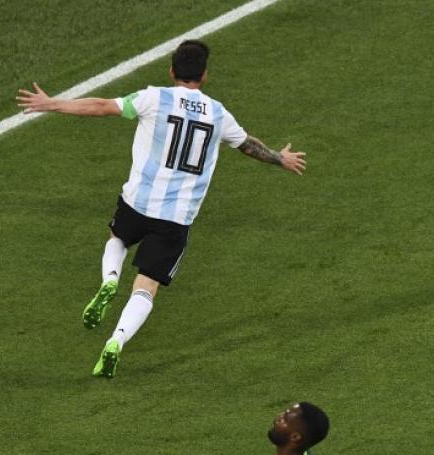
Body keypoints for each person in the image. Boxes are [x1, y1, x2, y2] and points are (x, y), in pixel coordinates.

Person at [16, 39, 307, 377]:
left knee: (117, 238)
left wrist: (53, 104)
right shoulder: (218, 113)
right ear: (205, 75)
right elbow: (248, 146)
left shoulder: (154, 98)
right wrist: (279, 158)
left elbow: (101, 106)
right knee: (147, 286)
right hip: (176, 217)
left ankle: (110, 279)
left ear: (171, 71)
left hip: (138, 202)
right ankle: (116, 341)